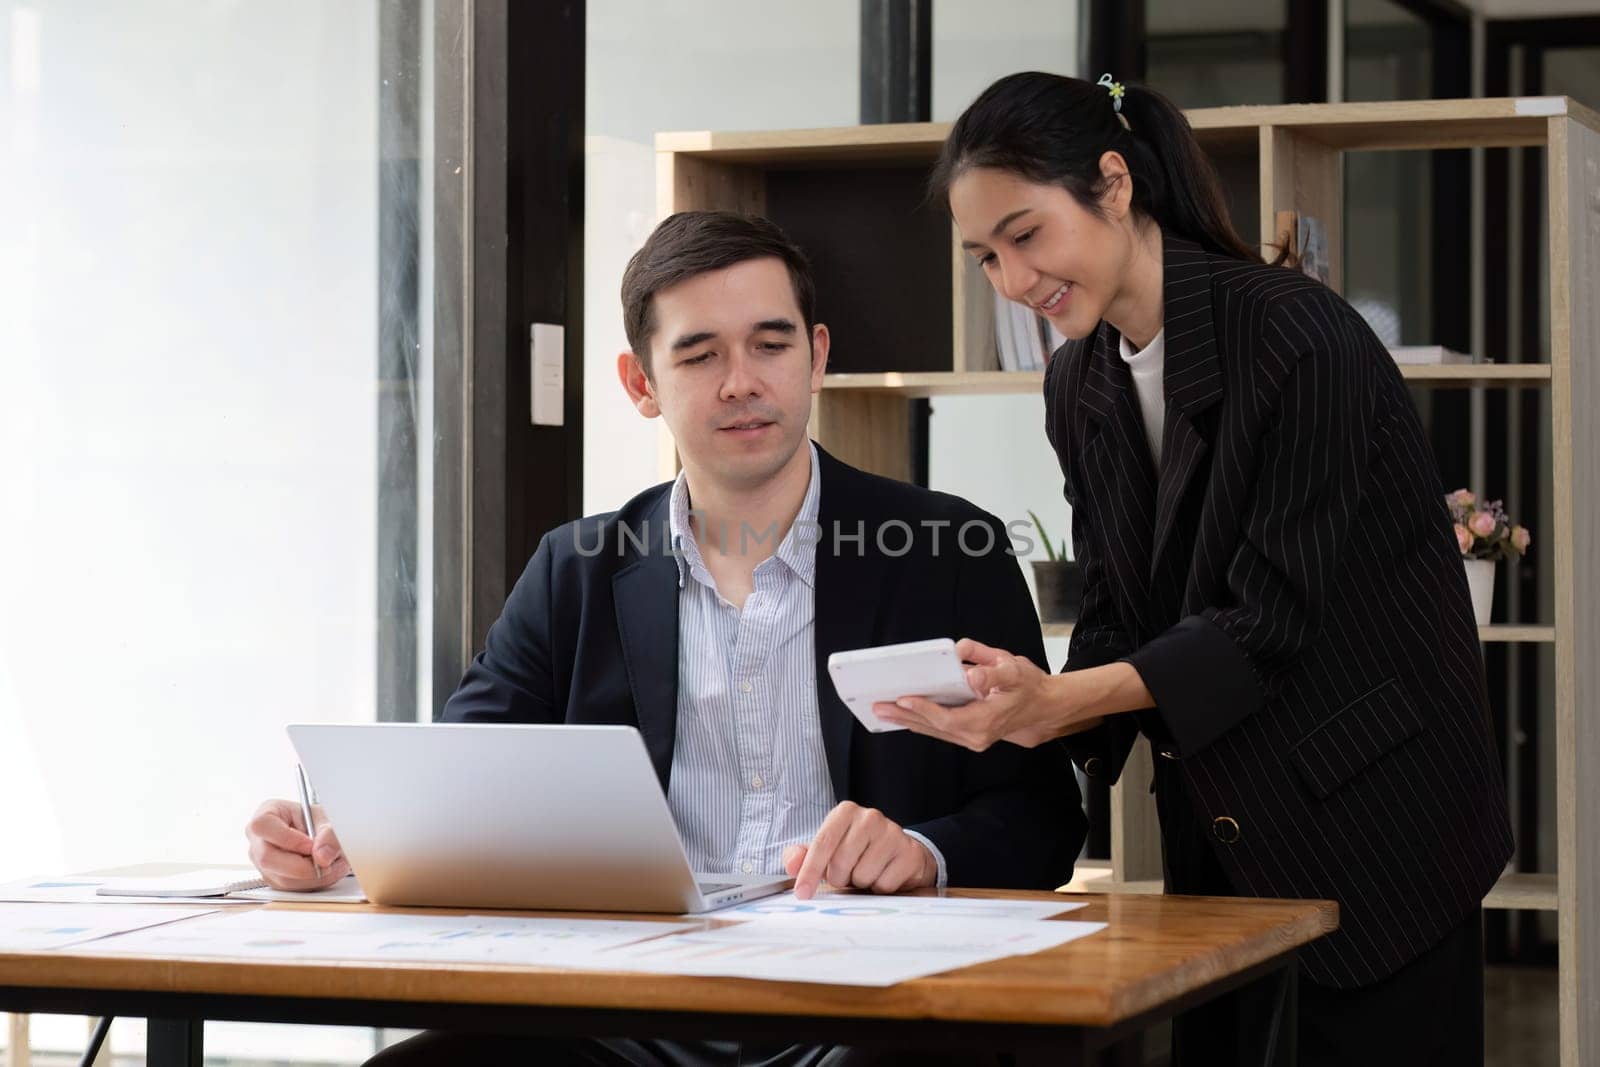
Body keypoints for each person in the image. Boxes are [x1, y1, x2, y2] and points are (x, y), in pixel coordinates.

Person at [244, 210, 1086, 1066]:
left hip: (864, 1003)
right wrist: (337, 840)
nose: (741, 382)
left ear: (818, 355)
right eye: (699, 354)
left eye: (770, 345)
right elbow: (454, 784)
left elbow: (1046, 815)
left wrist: (922, 852)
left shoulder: (947, 551)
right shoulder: (574, 568)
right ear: (640, 382)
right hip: (625, 1009)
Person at [876, 71, 1513, 1067]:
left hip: (1383, 821)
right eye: (983, 256)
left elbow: (1269, 616)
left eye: (1025, 234)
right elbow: (1119, 601)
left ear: (1114, 184)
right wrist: (1024, 701)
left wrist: (1063, 700)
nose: (1009, 278)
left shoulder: (1297, 337)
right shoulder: (1076, 379)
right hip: (1225, 826)